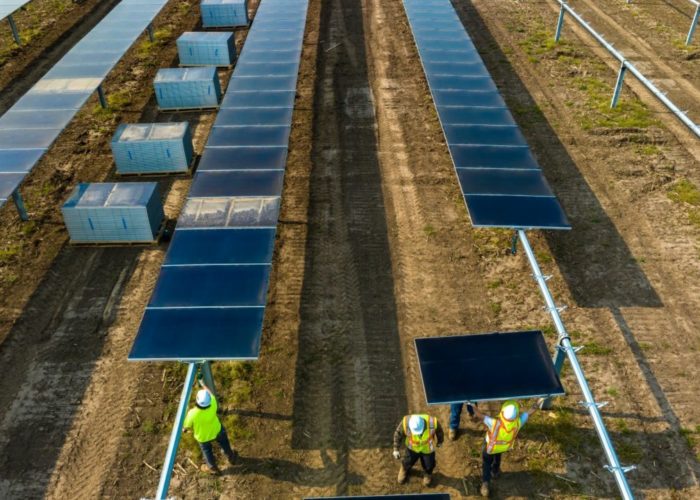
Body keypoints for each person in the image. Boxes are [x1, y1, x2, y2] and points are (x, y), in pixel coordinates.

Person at [473, 399, 543, 497]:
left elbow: (479, 415)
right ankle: (495, 472)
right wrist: (539, 401)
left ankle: (485, 484)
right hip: (503, 447)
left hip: (490, 447)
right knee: (498, 456)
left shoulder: (494, 423)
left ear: (502, 412)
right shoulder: (518, 423)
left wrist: (472, 405)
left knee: (486, 463)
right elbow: (530, 411)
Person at [183, 379, 237, 474]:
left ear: (197, 400)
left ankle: (212, 468)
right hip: (217, 430)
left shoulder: (192, 413)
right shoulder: (213, 403)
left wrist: (185, 429)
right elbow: (209, 393)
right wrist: (202, 383)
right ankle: (230, 456)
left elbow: (186, 426)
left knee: (207, 451)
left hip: (203, 437)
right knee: (224, 443)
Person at [392, 413, 444, 486]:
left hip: (427, 449)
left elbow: (439, 432)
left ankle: (427, 474)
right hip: (412, 448)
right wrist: (396, 449)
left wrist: (440, 441)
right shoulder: (405, 422)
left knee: (429, 464)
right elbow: (398, 434)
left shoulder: (433, 422)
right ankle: (404, 469)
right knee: (407, 461)